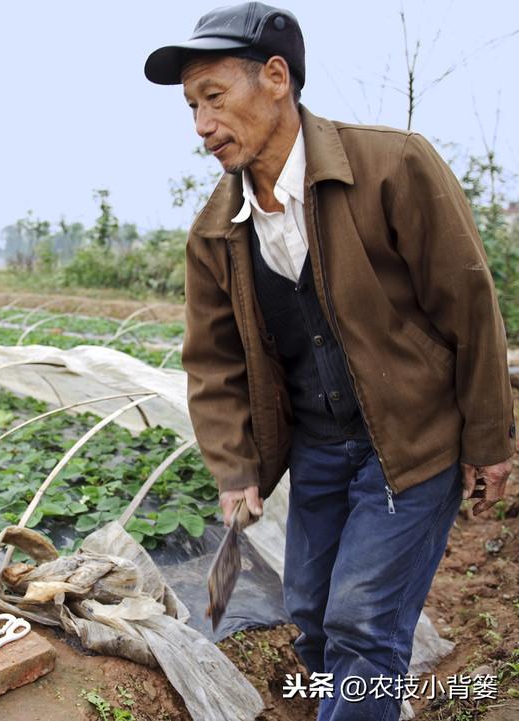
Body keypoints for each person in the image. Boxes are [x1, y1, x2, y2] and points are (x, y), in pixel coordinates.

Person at [145, 3, 515, 719]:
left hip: (412, 442)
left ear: (276, 78)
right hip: (319, 446)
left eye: (214, 98)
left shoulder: (393, 166)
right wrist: (235, 466)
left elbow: (470, 306)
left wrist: (489, 442)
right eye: (191, 107)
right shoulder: (216, 234)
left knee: (362, 620)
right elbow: (214, 363)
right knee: (312, 612)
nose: (201, 126)